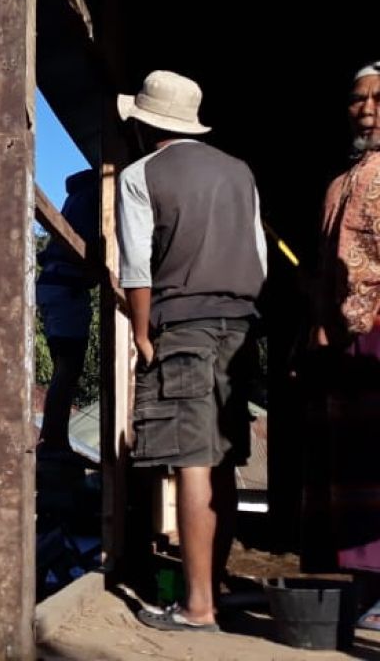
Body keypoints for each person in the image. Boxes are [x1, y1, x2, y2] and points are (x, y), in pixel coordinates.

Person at [116, 70, 267, 632]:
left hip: (184, 324)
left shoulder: (140, 175)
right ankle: (214, 588)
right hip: (241, 326)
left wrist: (140, 332)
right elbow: (260, 255)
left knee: (192, 461)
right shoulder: (239, 171)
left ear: (144, 123)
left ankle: (197, 606)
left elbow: (135, 266)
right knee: (224, 461)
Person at [311, 60, 380, 580]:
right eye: (358, 99)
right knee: (355, 460)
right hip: (345, 339)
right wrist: (318, 321)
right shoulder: (339, 184)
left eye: (378, 100)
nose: (367, 111)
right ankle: (366, 580)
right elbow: (323, 262)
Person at [36, 168, 99, 461]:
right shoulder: (93, 198)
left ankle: (54, 438)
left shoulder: (77, 198)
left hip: (56, 286)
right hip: (67, 287)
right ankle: (53, 440)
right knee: (68, 367)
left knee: (66, 365)